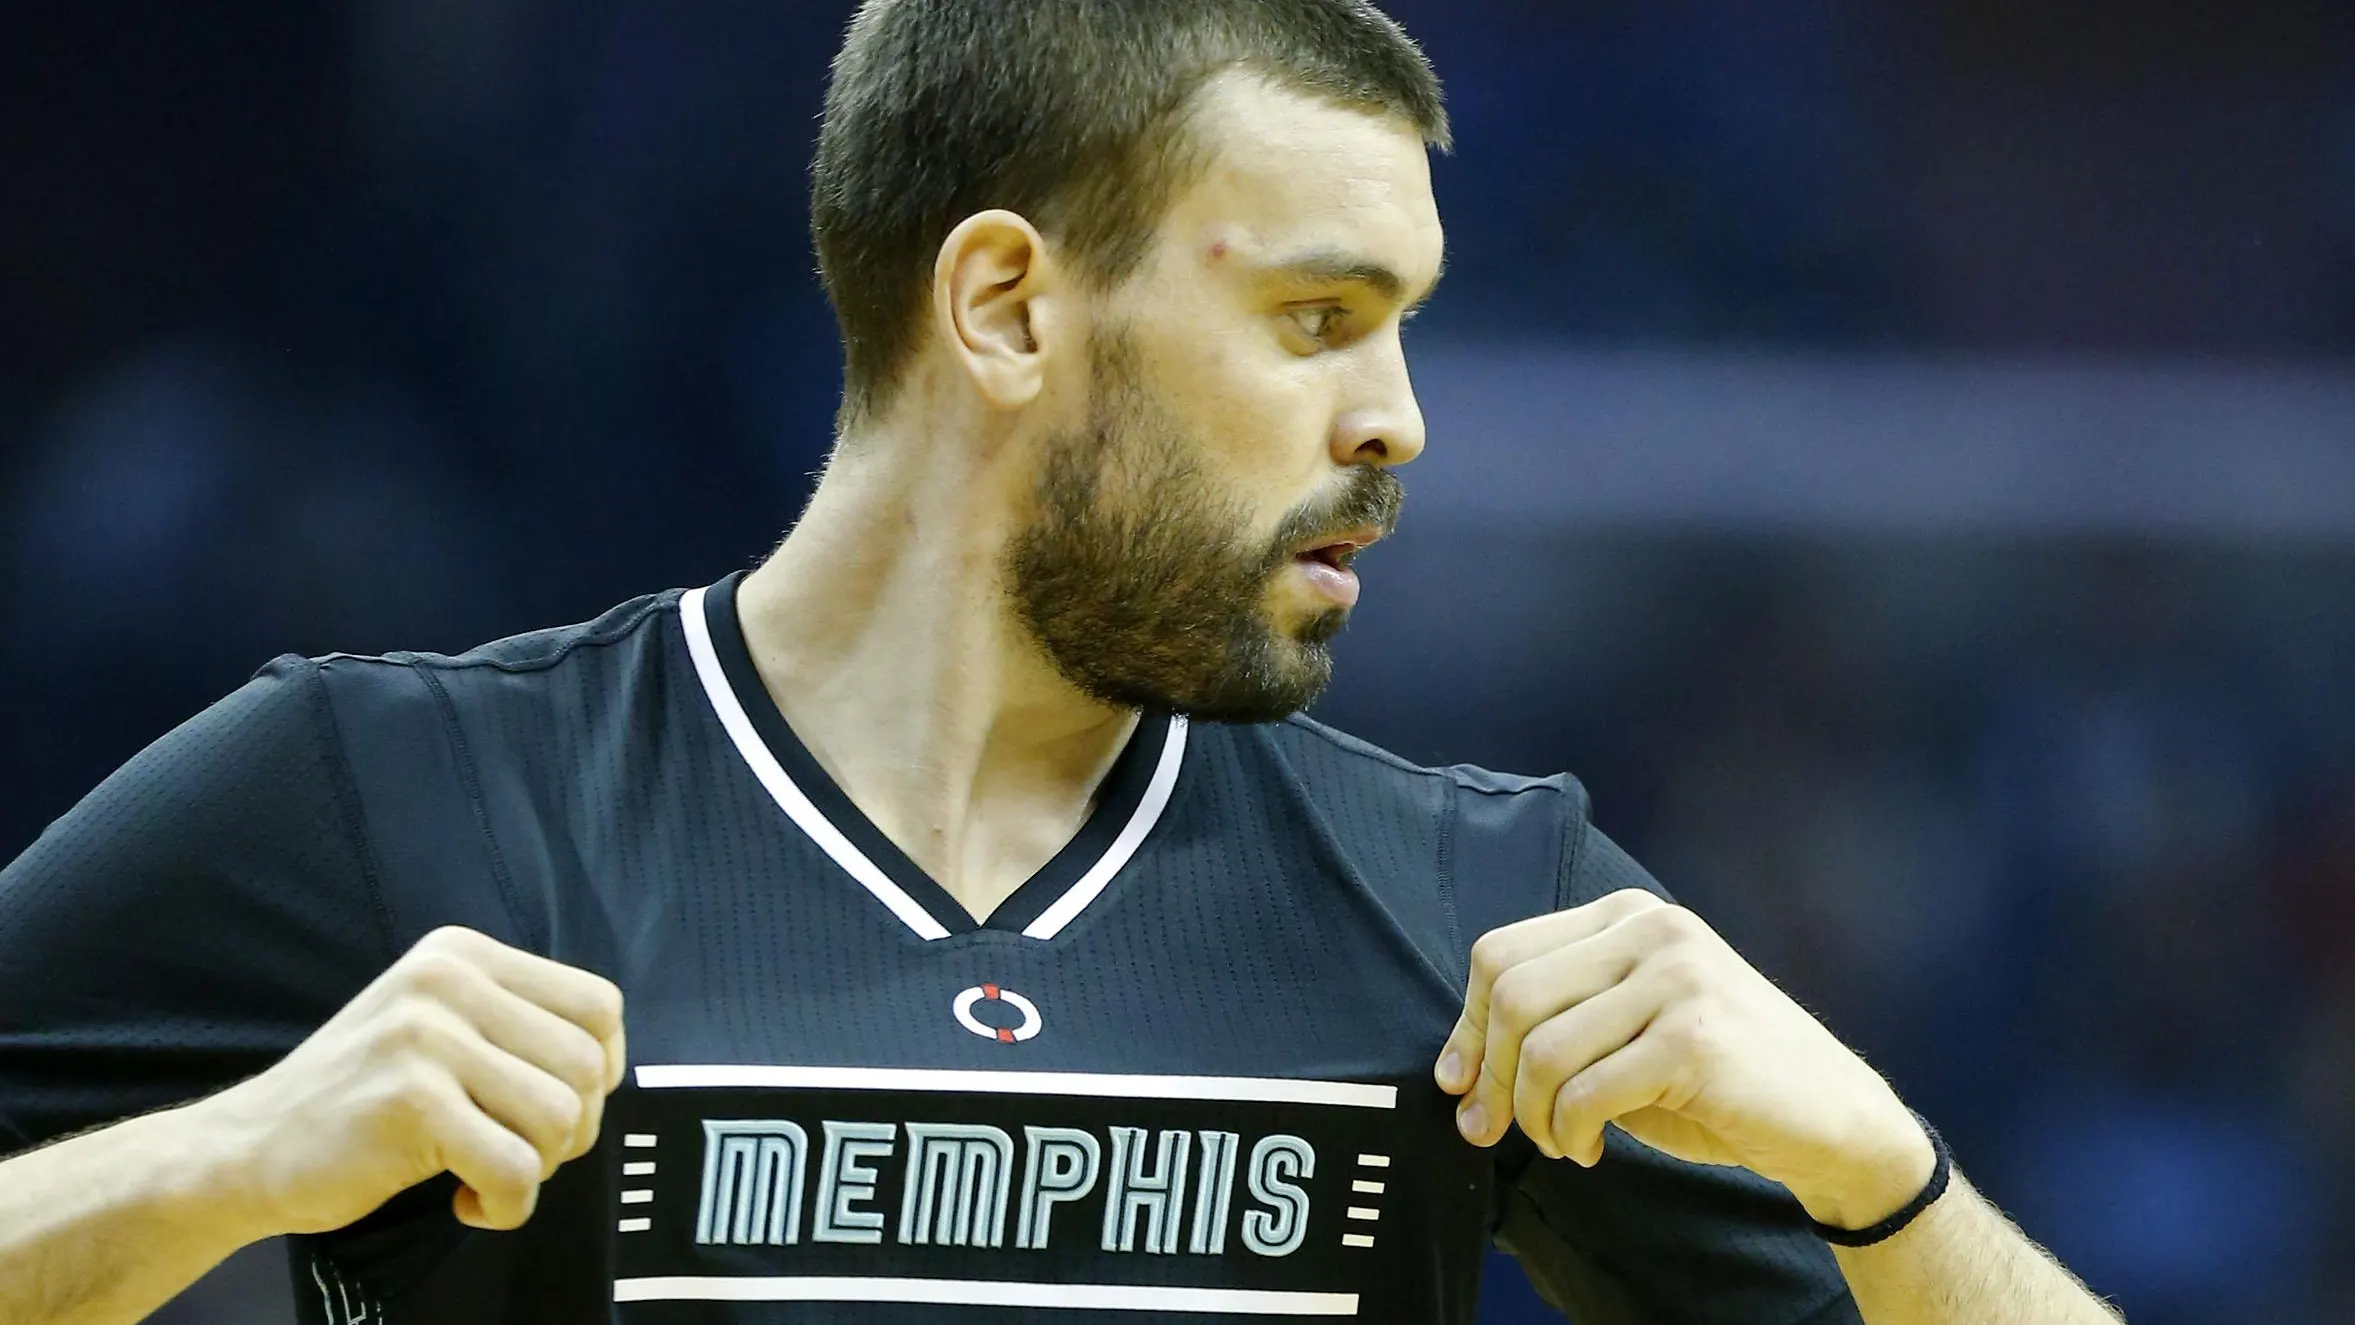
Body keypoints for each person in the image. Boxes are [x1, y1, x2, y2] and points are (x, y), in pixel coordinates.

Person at [0, 2, 2121, 1322]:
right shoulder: (392, 794)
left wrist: (1882, 1173)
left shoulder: (1497, 922)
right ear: (1006, 305)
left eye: (1403, 326)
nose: (1396, 417)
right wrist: (236, 1155)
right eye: (1311, 315)